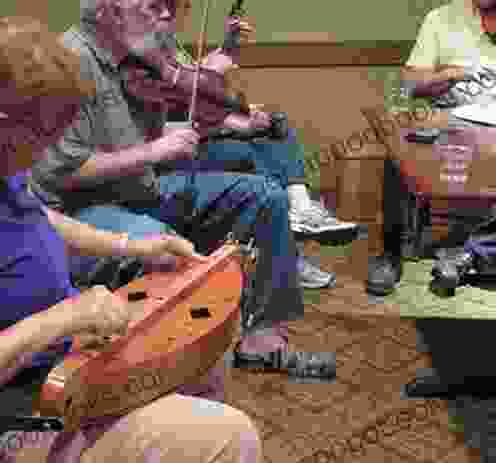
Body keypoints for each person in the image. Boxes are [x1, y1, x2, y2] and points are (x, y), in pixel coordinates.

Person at [0, 16, 262, 463]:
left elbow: (36, 216)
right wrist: (62, 319)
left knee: (204, 353)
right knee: (229, 443)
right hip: (6, 421)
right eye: (46, 141)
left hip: (55, 365)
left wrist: (135, 247)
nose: (49, 154)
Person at [31, 0, 337, 377]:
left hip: (141, 189)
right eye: (153, 6)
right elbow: (62, 171)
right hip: (82, 211)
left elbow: (138, 135)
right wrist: (153, 151)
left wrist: (184, 133)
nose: (166, 16)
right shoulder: (69, 63)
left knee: (266, 197)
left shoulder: (134, 58)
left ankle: (262, 340)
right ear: (109, 12)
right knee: (164, 244)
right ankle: (160, 373)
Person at [168, 0, 359, 289]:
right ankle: (287, 254)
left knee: (277, 128)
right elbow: (173, 114)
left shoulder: (164, 44)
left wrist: (227, 48)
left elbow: (194, 81)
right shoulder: (138, 54)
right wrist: (234, 125)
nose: (176, 12)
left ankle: (301, 207)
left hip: (201, 135)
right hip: (174, 153)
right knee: (246, 153)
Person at [367, 0, 496, 295]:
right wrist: (447, 76)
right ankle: (390, 253)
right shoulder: (442, 18)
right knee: (399, 151)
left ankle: (471, 253)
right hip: (451, 121)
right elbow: (411, 84)